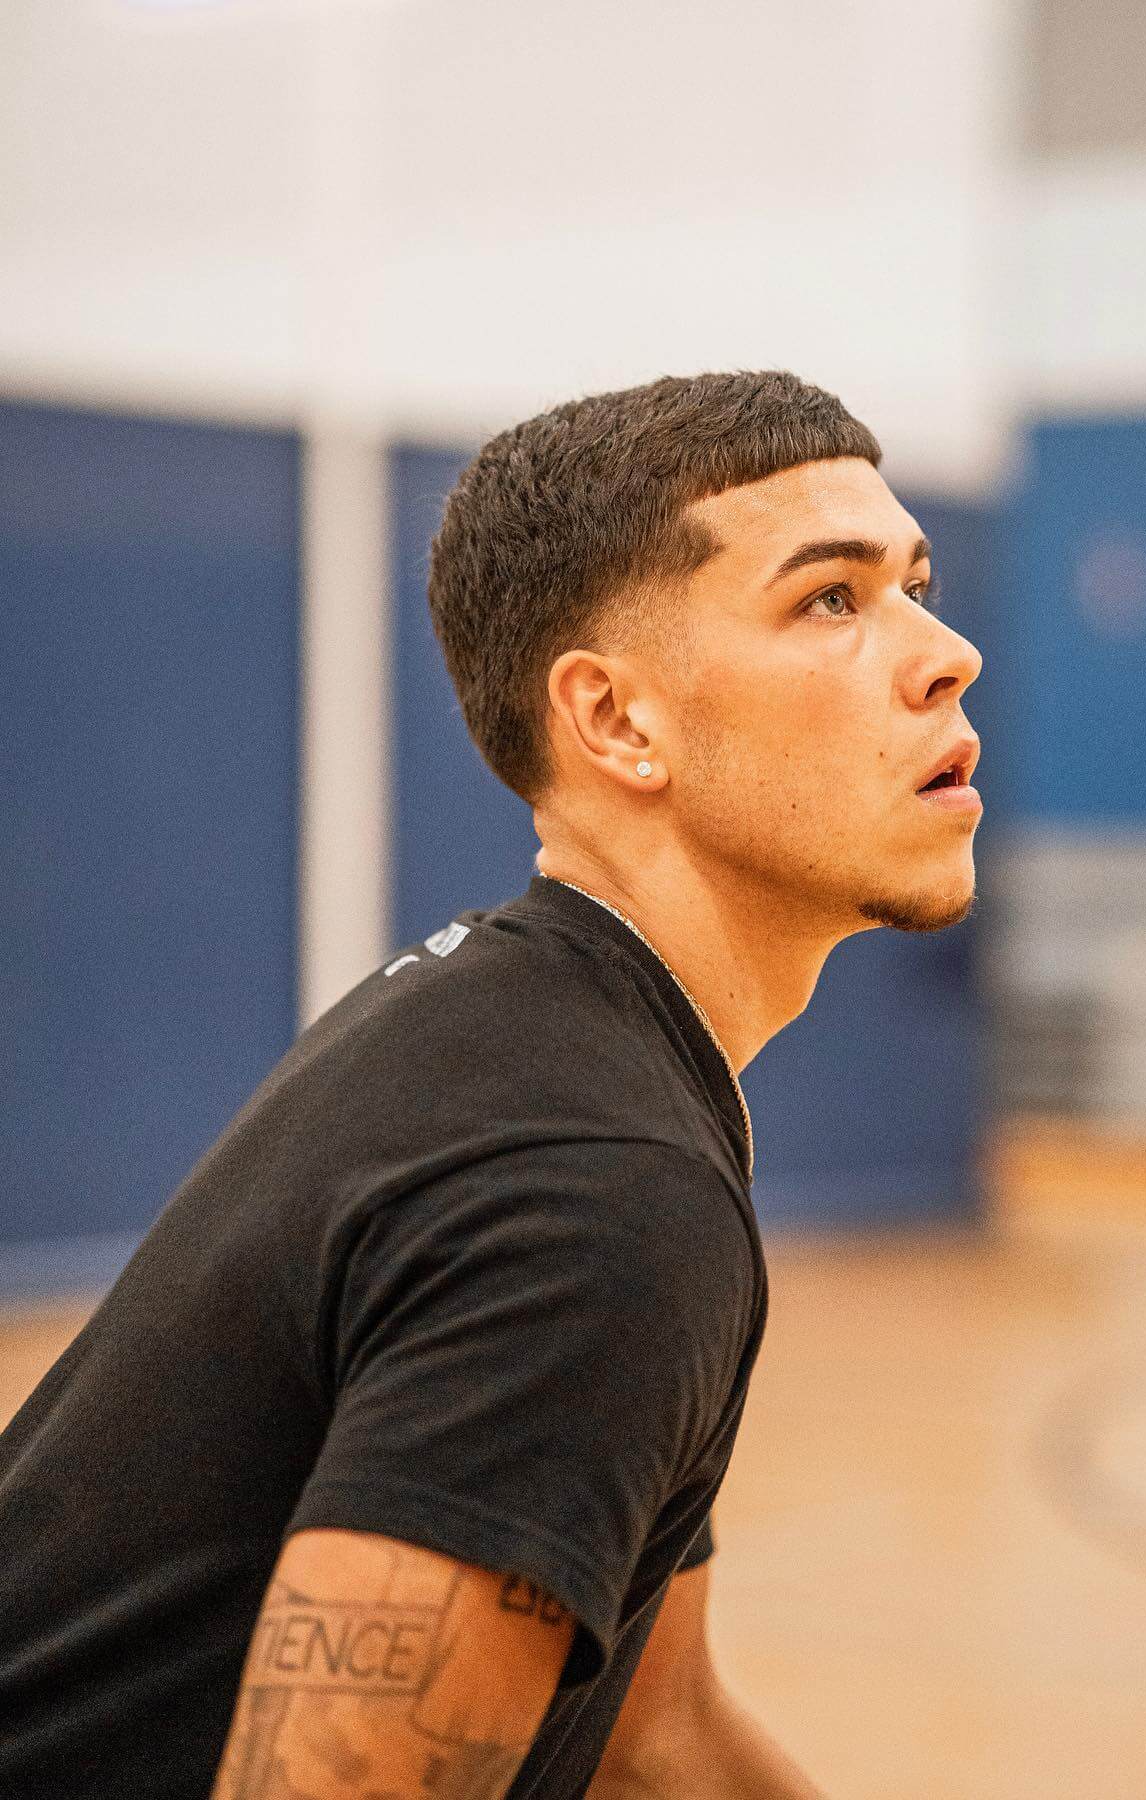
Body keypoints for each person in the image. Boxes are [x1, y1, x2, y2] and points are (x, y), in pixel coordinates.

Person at [0, 369, 982, 1799]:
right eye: (831, 599)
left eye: (918, 586)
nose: (947, 653)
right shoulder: (590, 1184)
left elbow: (653, 1734)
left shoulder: (548, 1044)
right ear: (617, 722)